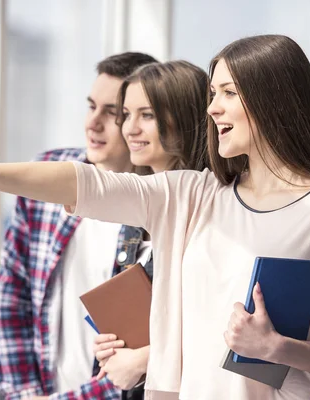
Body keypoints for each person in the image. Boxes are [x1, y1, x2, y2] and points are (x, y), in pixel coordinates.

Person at [0, 35, 310, 399]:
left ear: (271, 99)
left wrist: (279, 349)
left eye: (228, 93)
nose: (212, 108)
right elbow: (86, 183)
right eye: (211, 93)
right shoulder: (195, 195)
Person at [0, 51, 157, 400]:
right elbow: (13, 292)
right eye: (90, 106)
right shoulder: (49, 174)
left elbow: (138, 356)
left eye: (112, 113)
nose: (92, 123)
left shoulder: (159, 211)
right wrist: (23, 394)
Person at [91, 60, 209, 396]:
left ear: (186, 119)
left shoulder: (210, 210)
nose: (130, 129)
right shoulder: (136, 216)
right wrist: (114, 347)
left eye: (147, 115)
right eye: (126, 115)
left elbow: (216, 326)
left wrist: (143, 359)